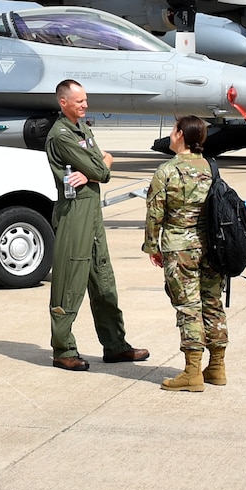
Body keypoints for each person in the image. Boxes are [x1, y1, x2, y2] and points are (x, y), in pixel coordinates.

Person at [45, 79, 148, 371]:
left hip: (91, 215)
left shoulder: (83, 129)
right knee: (70, 284)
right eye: (79, 101)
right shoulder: (61, 135)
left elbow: (103, 161)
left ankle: (115, 345)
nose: (85, 105)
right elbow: (101, 169)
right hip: (74, 216)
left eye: (85, 100)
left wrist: (97, 167)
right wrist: (98, 168)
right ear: (63, 102)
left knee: (104, 283)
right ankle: (63, 350)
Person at [144, 115, 221, 391]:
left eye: (175, 129)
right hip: (211, 249)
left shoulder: (166, 171)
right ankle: (216, 367)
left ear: (180, 135)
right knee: (212, 303)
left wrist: (152, 246)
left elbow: (155, 213)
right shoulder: (212, 168)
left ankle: (192, 372)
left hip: (180, 249)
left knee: (189, 308)